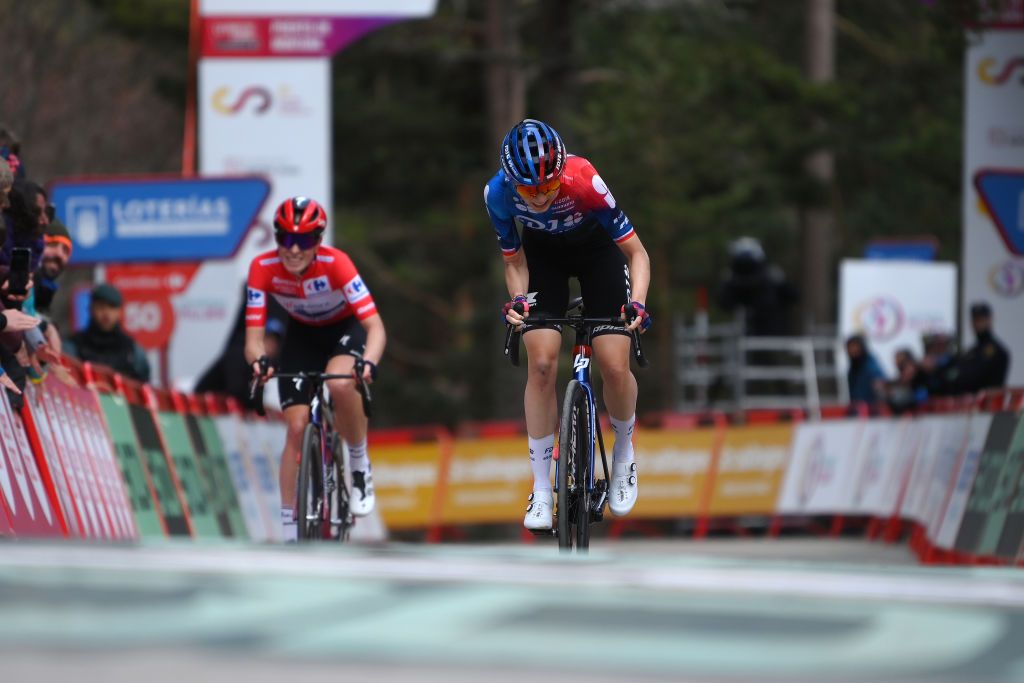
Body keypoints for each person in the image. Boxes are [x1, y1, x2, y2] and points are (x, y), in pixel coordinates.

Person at [484, 118, 651, 531]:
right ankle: (542, 487)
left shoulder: (582, 179)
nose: (540, 196)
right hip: (545, 260)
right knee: (540, 363)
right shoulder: (497, 194)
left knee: (614, 363)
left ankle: (625, 453)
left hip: (599, 254)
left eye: (548, 186)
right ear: (512, 181)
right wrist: (519, 300)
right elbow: (514, 260)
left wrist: (638, 305)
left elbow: (637, 254)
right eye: (530, 189)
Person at [245, 196, 386, 541]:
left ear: (318, 240)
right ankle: (290, 529)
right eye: (285, 239)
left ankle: (358, 463)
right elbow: (253, 339)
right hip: (303, 335)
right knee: (295, 427)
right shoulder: (262, 268)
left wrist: (368, 363)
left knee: (340, 385)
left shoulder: (337, 263)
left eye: (304, 240)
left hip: (344, 330)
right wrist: (259, 362)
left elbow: (376, 328)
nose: (293, 249)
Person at [64, 283, 151, 382]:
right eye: (101, 307)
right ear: (91, 309)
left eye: (112, 307)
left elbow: (142, 385)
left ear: (120, 312)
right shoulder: (73, 347)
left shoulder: (132, 350)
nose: (106, 313)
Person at [716, 236, 798, 336]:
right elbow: (724, 303)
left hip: (772, 331)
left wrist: (780, 282)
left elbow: (793, 296)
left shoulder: (770, 275)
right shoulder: (732, 279)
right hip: (742, 331)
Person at [953, 302, 1010, 394]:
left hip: (988, 403)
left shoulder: (997, 351)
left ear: (989, 320)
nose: (978, 324)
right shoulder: (971, 352)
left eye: (981, 320)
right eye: (975, 320)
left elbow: (975, 378)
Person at [845, 334, 886, 409]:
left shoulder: (870, 363)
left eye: (854, 347)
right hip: (856, 406)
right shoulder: (854, 365)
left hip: (870, 408)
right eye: (849, 347)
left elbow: (878, 381)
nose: (851, 350)